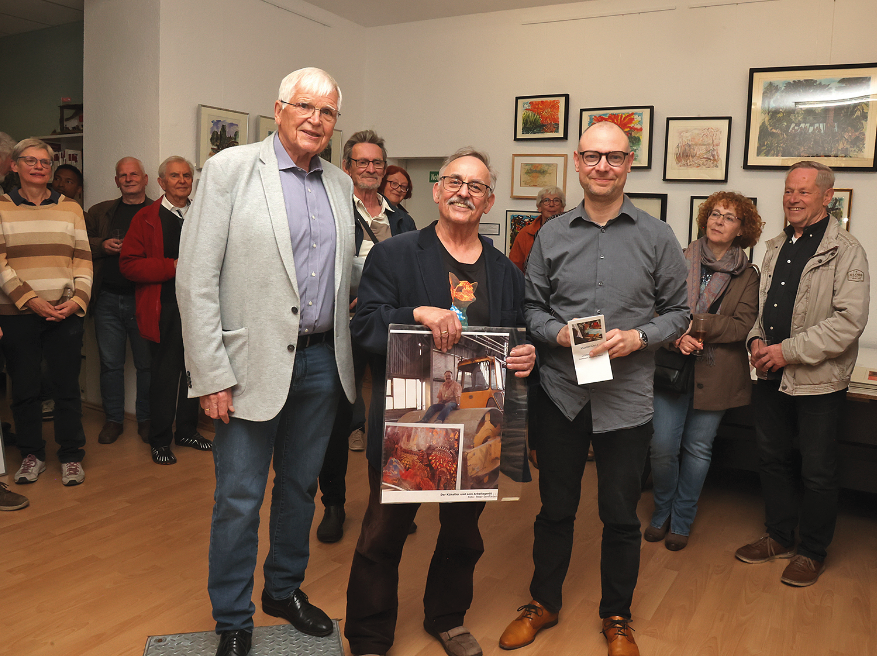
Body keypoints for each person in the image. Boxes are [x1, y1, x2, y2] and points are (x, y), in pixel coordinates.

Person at [176, 67, 355, 656]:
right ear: (278, 109)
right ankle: (232, 616)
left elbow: (340, 271)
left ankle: (282, 590)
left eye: (327, 112)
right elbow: (195, 278)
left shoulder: (338, 183)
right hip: (246, 366)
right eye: (305, 106)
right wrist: (210, 373)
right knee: (239, 498)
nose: (315, 120)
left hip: (322, 364)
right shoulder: (230, 170)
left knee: (300, 487)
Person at [500, 122, 688, 656]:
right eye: (592, 156)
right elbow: (531, 308)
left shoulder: (657, 236)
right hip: (562, 394)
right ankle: (543, 603)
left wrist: (639, 337)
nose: (603, 166)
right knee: (555, 509)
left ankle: (617, 617)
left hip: (626, 400)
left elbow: (679, 312)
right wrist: (556, 333)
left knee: (620, 515)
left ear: (629, 164)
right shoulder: (551, 235)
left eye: (614, 157)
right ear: (577, 163)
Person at [345, 147, 536, 656]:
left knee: (463, 535)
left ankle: (447, 618)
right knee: (383, 532)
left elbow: (516, 337)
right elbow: (364, 328)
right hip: (406, 420)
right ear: (436, 190)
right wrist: (416, 313)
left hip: (477, 424)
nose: (463, 193)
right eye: (454, 182)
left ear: (489, 201)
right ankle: (368, 635)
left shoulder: (505, 272)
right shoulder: (395, 254)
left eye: (476, 187)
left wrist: (525, 355)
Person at [736, 161, 870, 587]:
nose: (793, 199)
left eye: (804, 191)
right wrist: (755, 341)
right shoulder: (776, 245)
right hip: (771, 375)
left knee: (817, 470)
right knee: (772, 459)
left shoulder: (846, 250)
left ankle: (811, 552)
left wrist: (786, 352)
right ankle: (778, 536)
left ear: (827, 197)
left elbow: (849, 322)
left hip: (818, 381)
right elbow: (764, 308)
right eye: (789, 190)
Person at [315, 130, 416, 544]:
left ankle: (392, 503)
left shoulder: (401, 219)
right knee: (338, 418)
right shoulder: (331, 210)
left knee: (397, 418)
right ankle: (333, 504)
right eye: (362, 162)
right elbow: (316, 267)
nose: (370, 168)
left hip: (391, 327)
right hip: (342, 328)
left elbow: (411, 274)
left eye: (377, 162)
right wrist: (345, 298)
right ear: (347, 166)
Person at [645, 192, 761, 551]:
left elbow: (741, 324)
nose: (719, 221)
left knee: (697, 449)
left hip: (718, 375)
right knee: (662, 448)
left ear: (742, 229)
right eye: (714, 213)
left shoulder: (748, 275)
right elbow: (654, 311)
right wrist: (676, 336)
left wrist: (691, 324)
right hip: (671, 367)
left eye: (729, 217)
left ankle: (681, 519)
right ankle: (661, 511)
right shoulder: (677, 259)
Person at [0, 138, 93, 487]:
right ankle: (32, 454)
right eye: (30, 160)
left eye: (44, 162)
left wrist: (78, 300)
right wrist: (30, 300)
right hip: (16, 313)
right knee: (25, 389)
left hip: (64, 313)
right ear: (15, 166)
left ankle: (71, 455)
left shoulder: (71, 209)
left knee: (66, 388)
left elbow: (83, 259)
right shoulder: (1, 207)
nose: (38, 167)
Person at [119, 156, 212, 466]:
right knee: (165, 376)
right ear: (161, 182)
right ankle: (160, 439)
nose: (182, 181)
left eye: (186, 176)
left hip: (200, 307)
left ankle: (187, 431)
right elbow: (129, 265)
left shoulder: (204, 213)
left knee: (195, 371)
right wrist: (173, 267)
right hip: (164, 307)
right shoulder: (146, 217)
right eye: (175, 176)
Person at [86, 157, 153, 444]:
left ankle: (146, 420)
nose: (128, 179)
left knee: (147, 365)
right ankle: (113, 420)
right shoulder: (100, 211)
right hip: (107, 300)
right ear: (116, 181)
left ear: (145, 179)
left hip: (143, 299)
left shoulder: (158, 211)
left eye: (134, 174)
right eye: (123, 175)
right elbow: (78, 243)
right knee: (110, 365)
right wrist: (102, 245)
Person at [508, 186, 566, 272]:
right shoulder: (525, 234)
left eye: (556, 200)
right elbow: (514, 268)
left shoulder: (571, 233)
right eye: (546, 200)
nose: (551, 204)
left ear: (562, 207)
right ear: (539, 207)